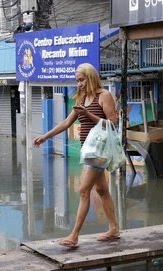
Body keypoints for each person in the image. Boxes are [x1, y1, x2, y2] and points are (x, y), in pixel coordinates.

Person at [33, 63, 120, 247]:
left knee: (83, 191)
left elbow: (113, 122)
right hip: (87, 151)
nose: (79, 84)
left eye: (81, 80)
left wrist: (89, 114)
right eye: (77, 80)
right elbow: (66, 122)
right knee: (102, 190)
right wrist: (44, 137)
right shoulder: (81, 99)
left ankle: (74, 236)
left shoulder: (103, 96)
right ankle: (113, 229)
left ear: (90, 77)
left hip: (99, 150)